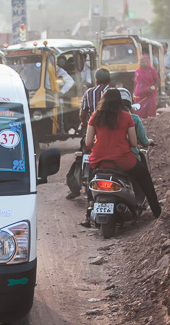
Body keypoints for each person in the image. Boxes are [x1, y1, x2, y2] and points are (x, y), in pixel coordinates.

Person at [80, 88, 161, 227]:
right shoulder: (127, 117)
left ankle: (89, 213)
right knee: (145, 177)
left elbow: (87, 143)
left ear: (103, 101)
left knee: (90, 181)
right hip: (123, 161)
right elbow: (134, 143)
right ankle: (157, 212)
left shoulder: (95, 116)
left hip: (99, 160)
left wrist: (100, 142)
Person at [65, 68, 110, 200]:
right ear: (109, 79)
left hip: (92, 132)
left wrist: (85, 124)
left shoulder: (90, 93)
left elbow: (83, 113)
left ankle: (76, 187)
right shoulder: (115, 93)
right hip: (112, 132)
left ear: (96, 80)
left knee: (82, 155)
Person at [119, 88, 153, 164]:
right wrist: (149, 142)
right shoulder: (133, 118)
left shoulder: (103, 118)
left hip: (104, 158)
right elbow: (140, 142)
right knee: (143, 174)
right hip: (128, 159)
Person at [133, 55, 160, 119]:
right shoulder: (137, 72)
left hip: (150, 92)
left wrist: (152, 88)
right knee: (139, 109)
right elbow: (136, 83)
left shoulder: (152, 70)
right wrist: (134, 92)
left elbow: (157, 81)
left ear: (147, 62)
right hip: (140, 93)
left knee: (151, 108)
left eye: (143, 62)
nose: (142, 64)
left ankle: (151, 121)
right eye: (141, 62)